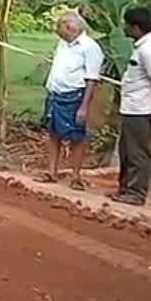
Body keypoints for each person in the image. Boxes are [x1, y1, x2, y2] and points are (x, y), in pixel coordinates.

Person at [37, 11, 104, 190]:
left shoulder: (90, 48)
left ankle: (76, 176)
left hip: (74, 95)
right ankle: (52, 172)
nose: (61, 36)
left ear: (70, 27)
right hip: (55, 93)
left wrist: (84, 107)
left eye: (61, 32)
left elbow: (92, 78)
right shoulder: (64, 44)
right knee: (53, 132)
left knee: (76, 136)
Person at [111, 6, 151, 206]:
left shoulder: (149, 49)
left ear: (136, 28)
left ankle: (136, 192)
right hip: (132, 106)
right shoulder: (142, 46)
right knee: (127, 150)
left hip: (141, 108)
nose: (125, 28)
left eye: (128, 25)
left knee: (137, 152)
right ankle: (125, 188)